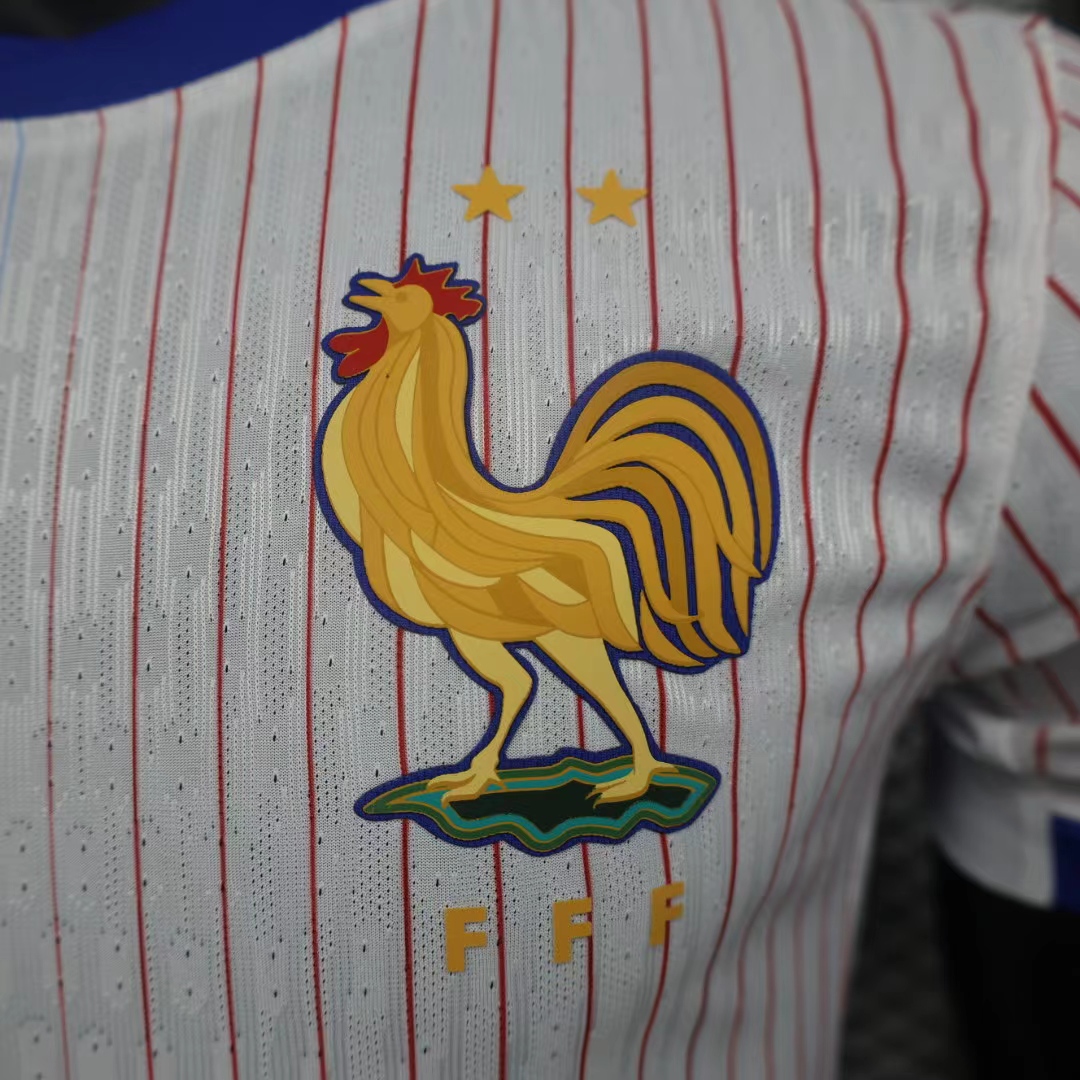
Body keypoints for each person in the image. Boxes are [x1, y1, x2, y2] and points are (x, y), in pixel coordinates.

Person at [0, 1, 1076, 1078]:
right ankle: (495, 759)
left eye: (393, 310)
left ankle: (637, 754)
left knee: (564, 664)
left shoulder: (998, 163)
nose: (375, 307)